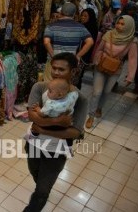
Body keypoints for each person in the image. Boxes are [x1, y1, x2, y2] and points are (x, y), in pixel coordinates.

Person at [24, 52, 87, 212]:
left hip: (57, 151)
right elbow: (32, 116)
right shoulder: (40, 87)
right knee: (35, 172)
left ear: (73, 71)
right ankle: (42, 186)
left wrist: (42, 127)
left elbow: (75, 132)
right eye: (54, 68)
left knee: (42, 191)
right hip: (34, 144)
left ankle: (39, 198)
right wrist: (57, 122)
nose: (56, 72)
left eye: (61, 69)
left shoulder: (80, 98)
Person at [85, 15, 138, 128]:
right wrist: (96, 60)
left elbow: (133, 59)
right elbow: (99, 49)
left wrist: (130, 77)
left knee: (107, 91)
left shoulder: (132, 41)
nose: (118, 25)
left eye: (122, 24)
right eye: (118, 23)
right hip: (101, 65)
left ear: (129, 26)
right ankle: (91, 116)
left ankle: (99, 108)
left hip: (115, 70)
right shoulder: (109, 34)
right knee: (97, 92)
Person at [43, 2, 94, 86]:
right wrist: (78, 55)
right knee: (64, 86)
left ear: (61, 12)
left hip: (54, 61)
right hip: (69, 62)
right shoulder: (80, 27)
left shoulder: (51, 26)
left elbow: (46, 42)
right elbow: (90, 42)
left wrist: (53, 55)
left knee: (48, 84)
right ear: (74, 14)